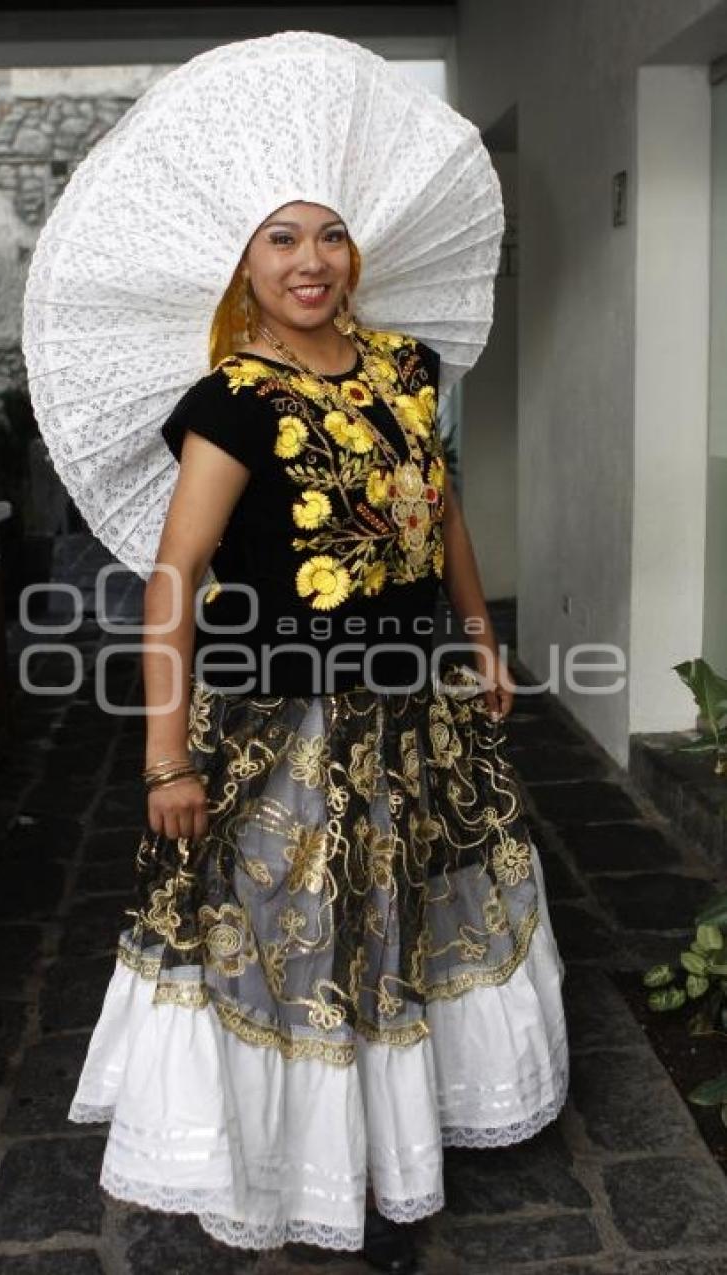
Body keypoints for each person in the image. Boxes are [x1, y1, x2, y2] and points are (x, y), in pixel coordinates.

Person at [66, 197, 569, 1271]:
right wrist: (167, 758)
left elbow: (445, 511)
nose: (311, 261)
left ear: (355, 253)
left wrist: (478, 638)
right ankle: (296, 1162)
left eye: (329, 235)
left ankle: (398, 1138)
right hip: (285, 723)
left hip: (409, 711)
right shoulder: (234, 402)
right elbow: (174, 581)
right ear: (242, 267)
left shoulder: (405, 367)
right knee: (293, 937)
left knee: (406, 916)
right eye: (281, 240)